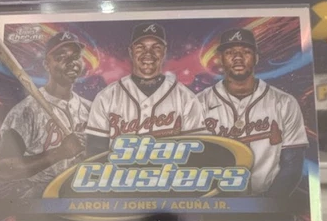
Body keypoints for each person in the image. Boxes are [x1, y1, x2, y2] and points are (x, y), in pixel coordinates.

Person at [198, 28, 308, 197]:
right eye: (230, 52)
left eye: (246, 51)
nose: (238, 57)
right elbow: (191, 162)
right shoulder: (199, 104)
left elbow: (292, 165)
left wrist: (268, 205)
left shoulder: (284, 102)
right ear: (220, 59)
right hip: (215, 202)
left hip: (269, 201)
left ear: (256, 58)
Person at [86, 23, 206, 156]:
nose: (148, 54)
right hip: (119, 169)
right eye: (140, 47)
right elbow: (95, 153)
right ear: (131, 51)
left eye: (156, 47)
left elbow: (197, 152)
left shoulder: (186, 98)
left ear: (164, 51)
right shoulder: (107, 97)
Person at [0, 31, 91, 198]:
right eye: (61, 57)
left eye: (75, 57)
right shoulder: (25, 111)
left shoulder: (90, 108)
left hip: (83, 196)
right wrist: (59, 153)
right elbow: (4, 170)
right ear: (47, 64)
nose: (71, 63)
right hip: (42, 199)